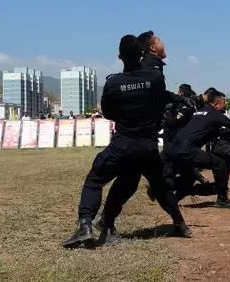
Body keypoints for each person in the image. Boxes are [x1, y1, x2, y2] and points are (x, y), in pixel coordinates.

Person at [63, 35, 189, 249]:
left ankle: (85, 225)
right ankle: (180, 224)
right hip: (147, 146)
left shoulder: (113, 83)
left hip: (123, 144)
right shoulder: (155, 78)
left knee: (95, 180)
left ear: (119, 56)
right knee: (153, 185)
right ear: (142, 53)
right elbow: (160, 100)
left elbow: (109, 112)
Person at [164, 90, 230, 208]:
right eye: (224, 103)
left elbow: (209, 130)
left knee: (189, 177)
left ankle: (168, 192)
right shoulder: (215, 114)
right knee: (220, 163)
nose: (225, 105)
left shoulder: (200, 112)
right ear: (217, 104)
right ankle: (222, 198)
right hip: (187, 150)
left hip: (173, 148)